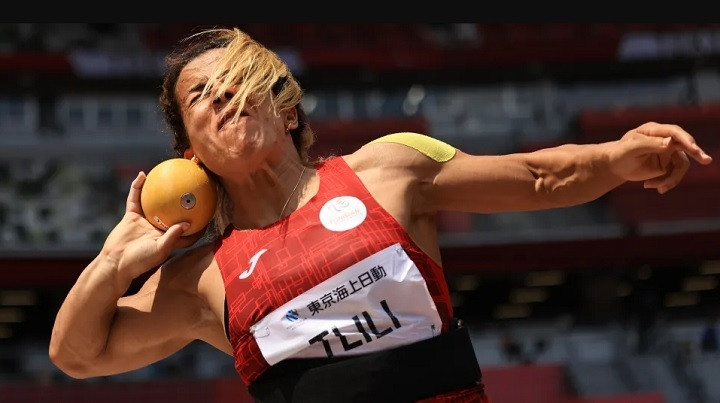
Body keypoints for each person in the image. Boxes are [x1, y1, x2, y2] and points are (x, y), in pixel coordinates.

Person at [48, 26, 714, 402]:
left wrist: (621, 155)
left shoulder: (390, 168)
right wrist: (114, 261)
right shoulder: (204, 281)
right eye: (202, 94)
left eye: (241, 81)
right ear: (190, 151)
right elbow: (78, 353)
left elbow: (539, 176)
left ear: (286, 108)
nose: (224, 95)